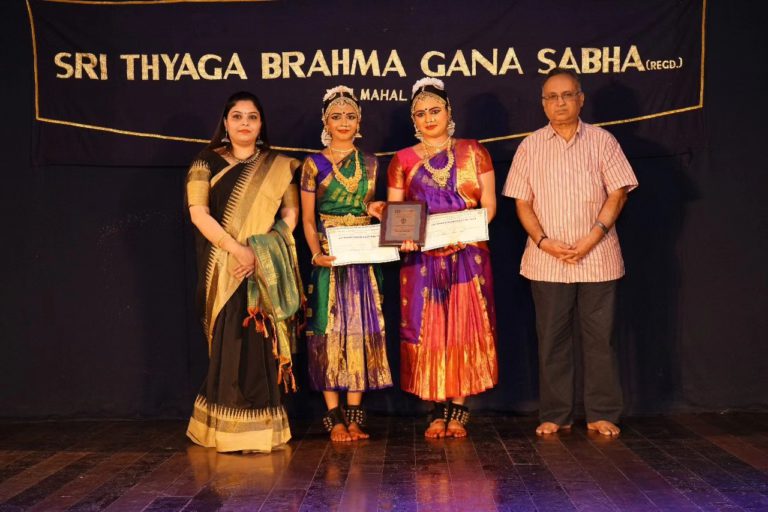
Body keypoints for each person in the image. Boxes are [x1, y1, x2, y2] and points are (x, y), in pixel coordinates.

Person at [502, 68, 638, 437]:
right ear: (543, 104)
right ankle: (556, 414)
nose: (559, 102)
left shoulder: (603, 141)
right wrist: (544, 241)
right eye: (551, 97)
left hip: (598, 257)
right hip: (547, 259)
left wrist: (594, 235)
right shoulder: (530, 145)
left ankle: (602, 412)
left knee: (600, 339)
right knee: (551, 340)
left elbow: (618, 192)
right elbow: (521, 202)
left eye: (566, 95)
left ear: (581, 98)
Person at [185, 91, 303, 452]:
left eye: (252, 117)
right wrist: (237, 250)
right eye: (237, 117)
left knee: (259, 344)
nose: (245, 124)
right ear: (225, 122)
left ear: (261, 123)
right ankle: (222, 431)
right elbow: (198, 213)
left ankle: (261, 430)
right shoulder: (205, 162)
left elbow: (290, 215)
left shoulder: (280, 165)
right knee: (230, 342)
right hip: (222, 267)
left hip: (262, 267)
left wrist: (261, 249)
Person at [387, 78, 498, 438]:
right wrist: (402, 237)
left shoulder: (474, 150)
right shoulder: (402, 160)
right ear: (413, 121)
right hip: (423, 257)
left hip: (467, 253)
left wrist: (461, 234)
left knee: (465, 324)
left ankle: (459, 407)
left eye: (435, 110)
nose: (428, 118)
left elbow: (489, 206)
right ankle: (436, 409)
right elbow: (396, 210)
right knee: (429, 327)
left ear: (449, 112)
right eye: (420, 113)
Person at [301, 86, 392, 442]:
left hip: (363, 256)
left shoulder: (370, 163)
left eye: (350, 116)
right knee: (329, 328)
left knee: (362, 326)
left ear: (359, 122)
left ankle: (355, 418)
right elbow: (308, 219)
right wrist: (315, 254)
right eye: (336, 117)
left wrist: (375, 209)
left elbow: (367, 206)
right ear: (325, 122)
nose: (343, 123)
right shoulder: (313, 164)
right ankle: (333, 418)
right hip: (330, 255)